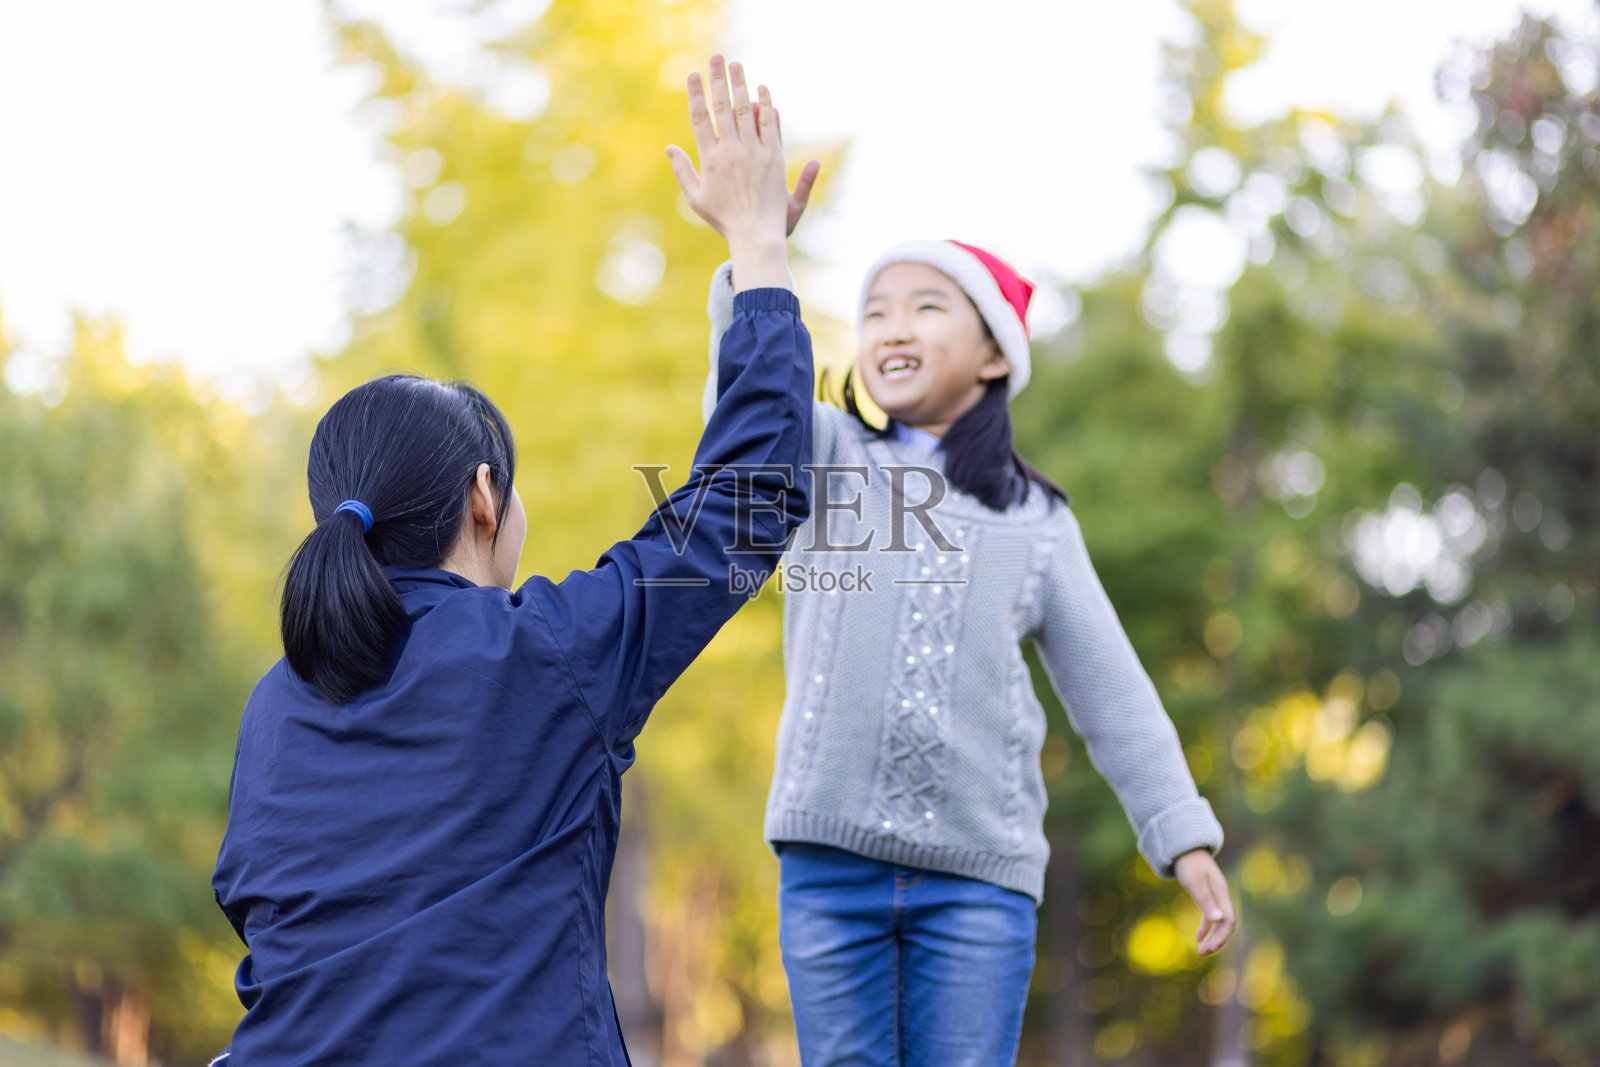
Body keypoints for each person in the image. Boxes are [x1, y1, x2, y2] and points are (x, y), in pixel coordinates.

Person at [210, 55, 815, 1066]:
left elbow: (262, 923)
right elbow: (749, 501)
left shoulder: (279, 700)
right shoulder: (546, 653)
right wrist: (755, 243)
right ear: (485, 499)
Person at [700, 237, 1237, 1065]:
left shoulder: (1038, 522)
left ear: (994, 352)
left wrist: (1182, 834)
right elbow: (744, 409)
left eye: (924, 305)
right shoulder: (831, 457)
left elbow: (1113, 692)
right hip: (828, 866)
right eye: (874, 311)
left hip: (978, 883)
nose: (890, 327)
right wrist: (753, 261)